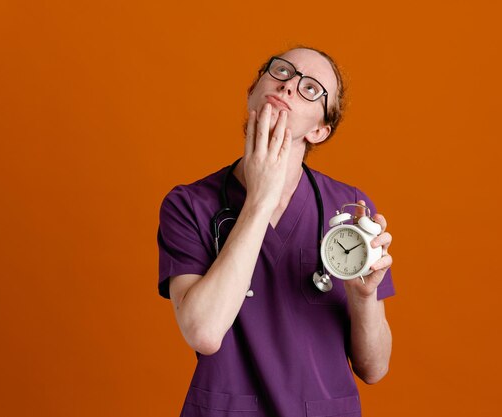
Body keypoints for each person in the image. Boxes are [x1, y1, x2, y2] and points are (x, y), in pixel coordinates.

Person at [157, 46, 395, 416]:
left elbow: (374, 368)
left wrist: (364, 298)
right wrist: (259, 201)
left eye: (310, 88)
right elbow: (203, 332)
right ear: (252, 91)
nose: (289, 86)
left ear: (319, 130)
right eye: (281, 72)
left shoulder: (350, 209)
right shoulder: (189, 205)